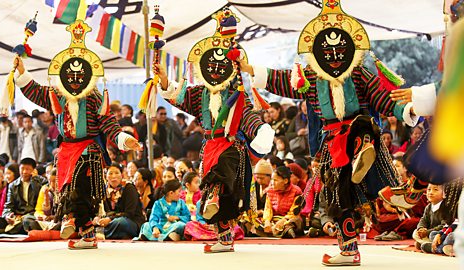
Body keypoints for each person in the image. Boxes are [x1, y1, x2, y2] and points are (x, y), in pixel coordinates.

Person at [239, 1, 419, 265]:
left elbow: (384, 99)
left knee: (362, 125)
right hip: (333, 145)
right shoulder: (310, 78)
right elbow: (281, 81)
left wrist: (410, 108)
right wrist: (250, 69)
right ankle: (349, 250)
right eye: (327, 50)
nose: (334, 55)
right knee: (339, 197)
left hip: (359, 132)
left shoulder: (360, 73)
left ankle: (372, 161)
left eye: (340, 50)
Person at [153, 8, 274, 253]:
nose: (217, 69)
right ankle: (224, 237)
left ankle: (217, 198)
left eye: (222, 65)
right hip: (209, 147)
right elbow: (178, 96)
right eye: (211, 64)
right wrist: (164, 79)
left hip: (231, 146)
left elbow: (248, 117)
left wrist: (261, 130)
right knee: (214, 192)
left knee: (221, 179)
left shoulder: (238, 95)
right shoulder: (200, 94)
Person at [12, 19, 140, 249]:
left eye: (80, 74)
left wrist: (124, 139)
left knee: (79, 187)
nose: (74, 78)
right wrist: (22, 71)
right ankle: (86, 231)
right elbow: (34, 91)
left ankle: (72, 220)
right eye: (70, 74)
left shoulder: (93, 97)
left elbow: (107, 121)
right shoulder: (57, 94)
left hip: (87, 149)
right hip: (66, 150)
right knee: (67, 188)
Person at [95, 163, 144, 239]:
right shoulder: (104, 190)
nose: (114, 176)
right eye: (110, 173)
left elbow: (129, 213)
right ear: (106, 176)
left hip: (132, 221)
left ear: (122, 175)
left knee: (120, 222)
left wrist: (110, 218)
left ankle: (101, 233)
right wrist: (99, 219)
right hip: (111, 221)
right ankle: (117, 234)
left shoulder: (129, 188)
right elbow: (105, 211)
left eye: (117, 173)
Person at [0, 158, 42, 234]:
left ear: (33, 170)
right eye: (22, 168)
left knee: (28, 221)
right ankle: (14, 229)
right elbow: (8, 206)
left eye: (28, 169)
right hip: (17, 216)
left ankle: (4, 231)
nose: (24, 172)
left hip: (33, 216)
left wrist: (34, 179)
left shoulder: (40, 182)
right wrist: (7, 216)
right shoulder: (13, 185)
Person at [260, 166, 303, 238]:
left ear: (285, 181)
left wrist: (282, 221)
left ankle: (285, 231)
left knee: (295, 221)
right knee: (255, 221)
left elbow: (294, 213)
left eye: (275, 180)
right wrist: (267, 221)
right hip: (274, 219)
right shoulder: (269, 191)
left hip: (288, 220)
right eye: (272, 180)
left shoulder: (296, 191)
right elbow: (268, 209)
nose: (272, 183)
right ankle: (279, 232)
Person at [412, 184, 447, 249]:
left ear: (444, 194)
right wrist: (421, 228)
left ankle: (432, 245)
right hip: (428, 233)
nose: (431, 192)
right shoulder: (428, 207)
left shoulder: (445, 207)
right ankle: (428, 243)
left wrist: (427, 232)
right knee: (415, 233)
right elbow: (424, 220)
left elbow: (444, 226)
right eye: (429, 189)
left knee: (433, 234)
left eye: (435, 189)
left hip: (439, 233)